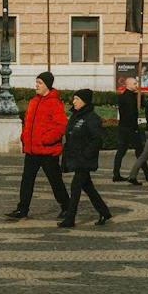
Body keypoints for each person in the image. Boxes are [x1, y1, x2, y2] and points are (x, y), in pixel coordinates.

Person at [4, 72, 71, 221]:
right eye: (37, 82)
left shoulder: (55, 103)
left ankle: (67, 206)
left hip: (48, 151)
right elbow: (28, 123)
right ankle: (22, 209)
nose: (37, 85)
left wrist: (46, 139)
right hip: (32, 150)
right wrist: (24, 137)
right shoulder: (33, 101)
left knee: (55, 181)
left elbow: (61, 126)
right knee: (26, 180)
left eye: (40, 83)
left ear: (47, 85)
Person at [57, 88, 112, 227]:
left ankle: (70, 218)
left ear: (84, 102)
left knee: (76, 188)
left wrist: (86, 154)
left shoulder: (91, 118)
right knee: (88, 188)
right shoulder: (76, 115)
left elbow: (97, 139)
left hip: (84, 160)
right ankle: (104, 212)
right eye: (74, 98)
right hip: (76, 158)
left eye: (77, 99)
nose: (73, 101)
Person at [111, 75, 146, 184]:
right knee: (140, 151)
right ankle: (146, 173)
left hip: (123, 128)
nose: (137, 85)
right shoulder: (130, 97)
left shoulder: (124, 96)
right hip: (130, 129)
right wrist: (135, 129)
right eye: (135, 83)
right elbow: (131, 115)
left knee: (121, 151)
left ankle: (116, 174)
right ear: (129, 85)